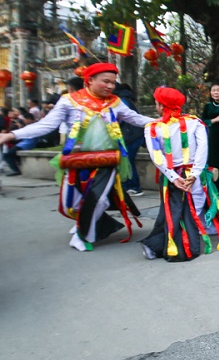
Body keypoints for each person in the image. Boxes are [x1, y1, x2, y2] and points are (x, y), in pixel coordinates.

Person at [0, 63, 154, 251]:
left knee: (100, 198)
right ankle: (85, 222)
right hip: (76, 159)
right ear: (89, 80)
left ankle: (83, 235)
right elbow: (46, 125)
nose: (111, 86)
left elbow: (135, 118)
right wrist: (12, 135)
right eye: (106, 81)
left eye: (113, 83)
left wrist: (163, 123)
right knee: (71, 203)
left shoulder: (115, 102)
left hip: (107, 159)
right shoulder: (69, 101)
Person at [141, 87, 219, 261]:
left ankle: (161, 245)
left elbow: (156, 157)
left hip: (173, 177)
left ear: (160, 106)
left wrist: (174, 178)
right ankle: (178, 239)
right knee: (193, 209)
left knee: (174, 212)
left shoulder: (152, 128)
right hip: (194, 176)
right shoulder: (195, 122)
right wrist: (194, 174)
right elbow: (203, 150)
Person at [114, 83, 146, 196]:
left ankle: (134, 187)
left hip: (130, 135)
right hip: (133, 134)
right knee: (127, 161)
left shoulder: (121, 101)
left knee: (127, 161)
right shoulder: (127, 99)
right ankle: (128, 186)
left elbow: (121, 119)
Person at [201, 82, 219, 190]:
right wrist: (214, 120)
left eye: (218, 90)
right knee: (214, 159)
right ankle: (216, 187)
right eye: (214, 90)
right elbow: (202, 121)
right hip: (213, 135)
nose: (216, 92)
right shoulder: (208, 106)